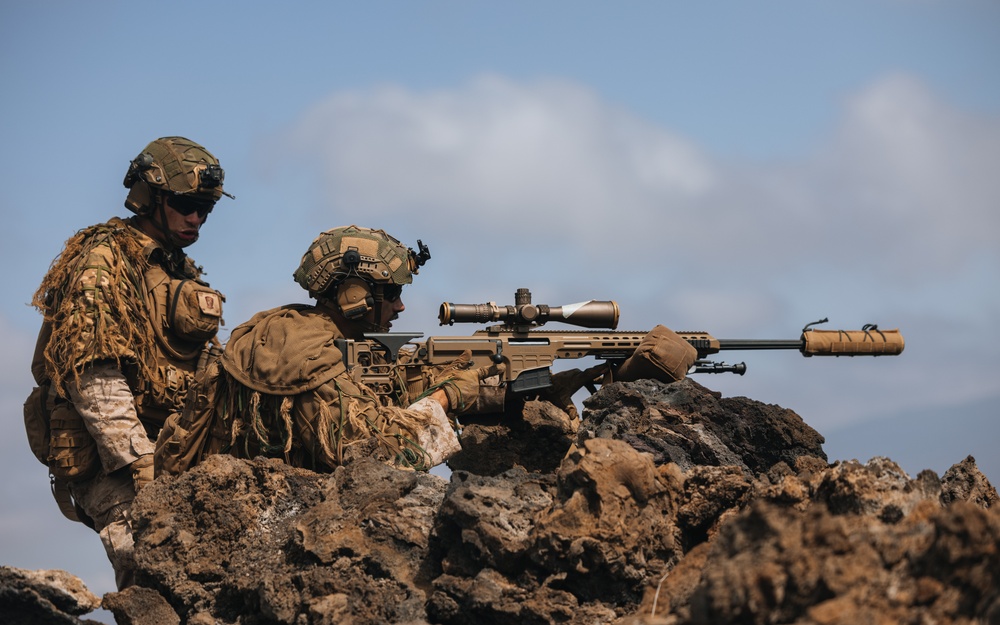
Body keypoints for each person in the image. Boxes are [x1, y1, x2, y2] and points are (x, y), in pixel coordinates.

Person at [27, 136, 231, 588]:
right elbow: (92, 372)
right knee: (154, 577)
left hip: (168, 451)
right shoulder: (104, 258)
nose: (196, 217)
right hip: (115, 460)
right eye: (184, 204)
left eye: (205, 208)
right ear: (149, 198)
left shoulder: (176, 267)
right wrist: (141, 466)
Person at [155, 225, 499, 477]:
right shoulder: (303, 351)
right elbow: (378, 457)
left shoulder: (314, 330)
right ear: (354, 294)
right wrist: (445, 399)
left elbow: (386, 381)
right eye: (392, 294)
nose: (400, 307)